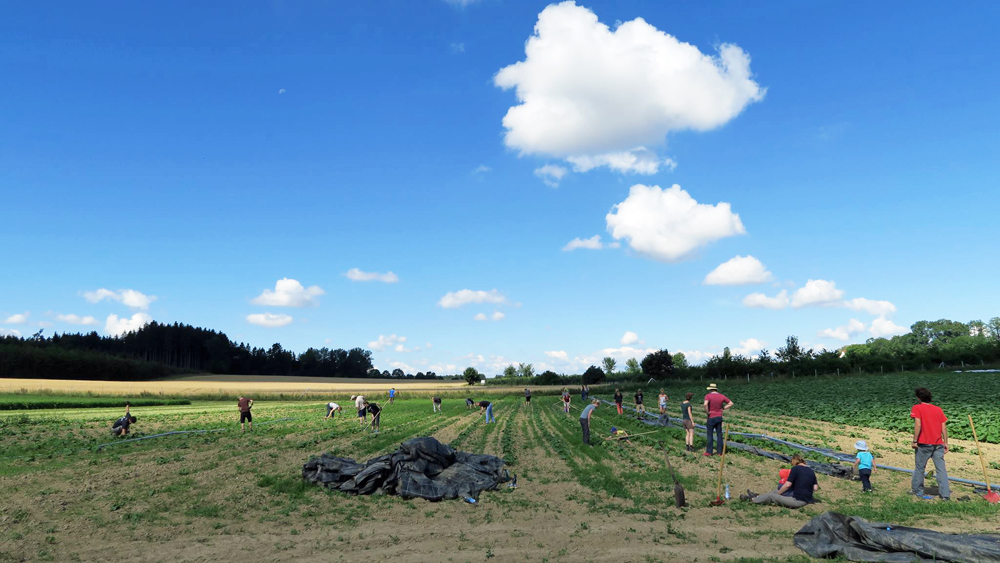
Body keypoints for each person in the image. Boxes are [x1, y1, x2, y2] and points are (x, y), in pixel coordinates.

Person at [911, 387, 950, 500]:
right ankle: (945, 495)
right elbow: (944, 428)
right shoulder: (938, 409)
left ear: (918, 397)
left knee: (919, 468)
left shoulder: (917, 408)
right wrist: (946, 442)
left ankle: (917, 491)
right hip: (938, 444)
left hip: (924, 443)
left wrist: (915, 440)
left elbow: (918, 425)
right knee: (941, 469)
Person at [742, 454, 818, 508]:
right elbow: (815, 488)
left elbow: (787, 485)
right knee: (777, 490)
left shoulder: (795, 469)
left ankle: (753, 500)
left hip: (797, 500)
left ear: (794, 463)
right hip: (806, 499)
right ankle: (758, 496)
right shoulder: (811, 471)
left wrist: (779, 494)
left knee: (773, 495)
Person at [703, 384, 733, 456]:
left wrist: (707, 412)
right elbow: (731, 403)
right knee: (719, 434)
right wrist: (723, 408)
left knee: (710, 435)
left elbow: (705, 404)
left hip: (711, 417)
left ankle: (709, 451)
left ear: (710, 389)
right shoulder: (722, 396)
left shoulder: (708, 396)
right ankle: (720, 451)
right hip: (719, 417)